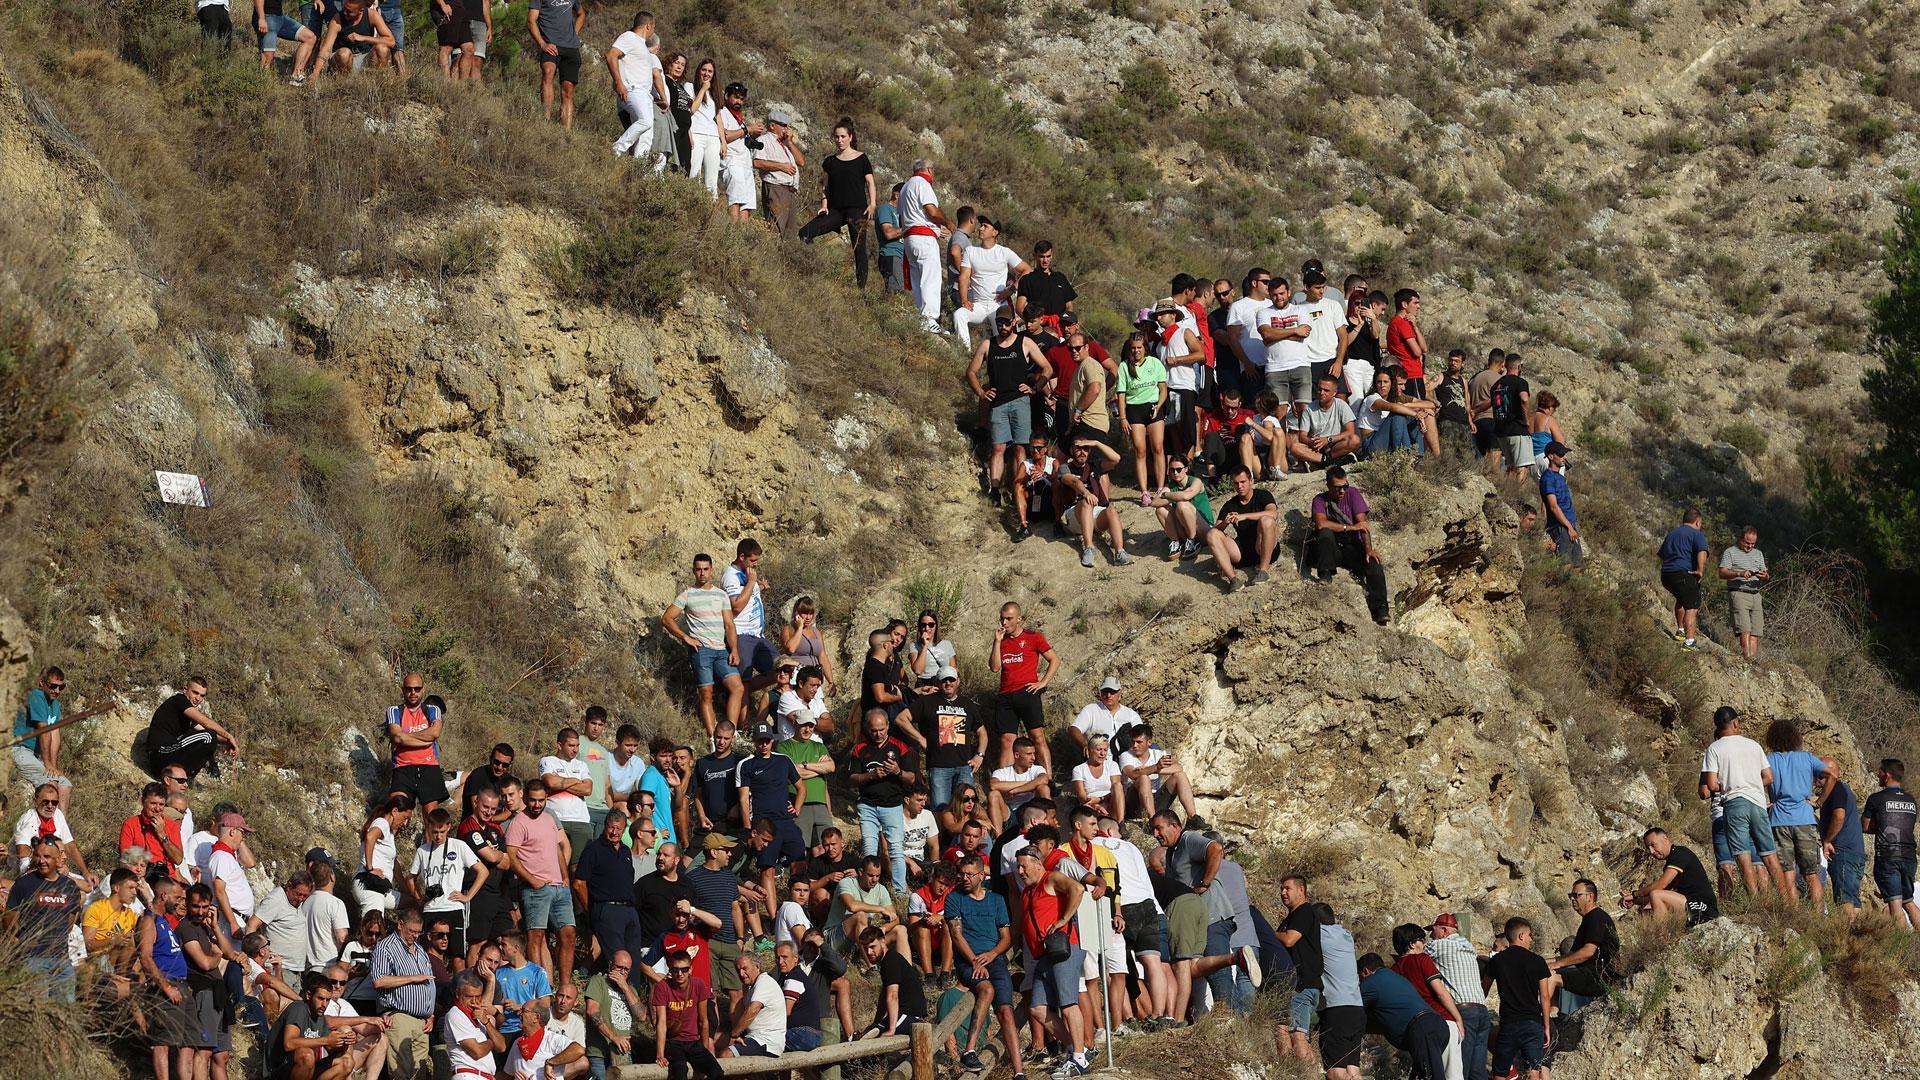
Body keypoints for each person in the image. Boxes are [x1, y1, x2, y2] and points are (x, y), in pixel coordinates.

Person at [1015, 848, 1090, 1077]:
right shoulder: (1027, 892)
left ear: (1038, 864)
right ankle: (1076, 1050)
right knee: (1038, 1008)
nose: (1020, 871)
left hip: (1062, 949)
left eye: (1023, 866)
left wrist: (1063, 919)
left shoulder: (1051, 878)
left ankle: (1079, 1060)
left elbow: (1077, 888)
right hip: (1043, 956)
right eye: (1018, 866)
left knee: (1068, 1004)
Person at [966, 310, 1053, 501]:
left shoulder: (1025, 342)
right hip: (998, 403)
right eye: (999, 323)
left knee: (1020, 448)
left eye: (1006, 323)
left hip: (1020, 401)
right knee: (998, 448)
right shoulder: (988, 344)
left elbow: (1047, 368)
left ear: (1013, 322)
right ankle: (995, 491)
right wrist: (981, 393)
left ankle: (1019, 489)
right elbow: (971, 372)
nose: (1003, 327)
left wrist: (1036, 388)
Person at [1700, 706, 1782, 895]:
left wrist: (1731, 783)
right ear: (1735, 723)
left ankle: (1754, 902)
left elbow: (1711, 785)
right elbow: (1769, 777)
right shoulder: (1753, 745)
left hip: (1734, 803)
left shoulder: (1714, 748)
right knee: (1769, 856)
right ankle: (1786, 902)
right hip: (1758, 803)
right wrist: (1750, 782)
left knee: (1743, 859)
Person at [663, 553, 745, 737]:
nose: (702, 573)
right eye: (698, 569)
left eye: (705, 569)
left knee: (737, 687)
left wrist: (734, 649)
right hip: (701, 650)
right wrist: (685, 637)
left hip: (721, 650)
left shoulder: (721, 595)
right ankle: (713, 738)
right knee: (706, 693)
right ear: (694, 571)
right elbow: (667, 618)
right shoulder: (687, 594)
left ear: (711, 570)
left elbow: (729, 624)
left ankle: (729, 734)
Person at [506, 779, 576, 985]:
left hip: (559, 887)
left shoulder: (549, 818)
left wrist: (565, 877)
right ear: (526, 798)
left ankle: (565, 986)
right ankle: (539, 987)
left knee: (569, 933)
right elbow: (511, 857)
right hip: (536, 890)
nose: (537, 805)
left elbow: (557, 849)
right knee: (536, 936)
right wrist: (532, 880)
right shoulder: (518, 822)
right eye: (533, 800)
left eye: (541, 800)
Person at [800, 119, 878, 288]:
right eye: (836, 137)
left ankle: (861, 290)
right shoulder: (830, 161)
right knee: (805, 233)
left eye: (843, 136)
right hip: (835, 210)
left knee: (859, 248)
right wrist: (824, 205)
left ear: (850, 137)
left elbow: (870, 182)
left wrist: (872, 204)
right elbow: (825, 186)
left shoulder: (862, 158)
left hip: (857, 209)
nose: (839, 140)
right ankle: (812, 268)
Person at [6, 834, 83, 1000]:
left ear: (57, 859)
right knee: (36, 1009)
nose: (41, 861)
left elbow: (70, 922)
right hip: (33, 959)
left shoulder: (69, 886)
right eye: (38, 856)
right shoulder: (23, 883)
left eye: (47, 857)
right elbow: (9, 922)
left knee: (65, 1009)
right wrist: (22, 946)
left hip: (62, 960)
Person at [1310, 466, 1391, 626]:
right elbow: (1321, 524)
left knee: (1373, 562)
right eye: (1337, 488)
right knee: (1325, 533)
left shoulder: (1353, 494)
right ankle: (1325, 574)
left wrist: (1368, 549)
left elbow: (1362, 525)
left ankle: (1380, 608)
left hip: (1351, 547)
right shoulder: (1319, 500)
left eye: (1344, 486)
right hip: (1331, 548)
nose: (1342, 491)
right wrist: (1350, 527)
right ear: (1328, 486)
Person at [850, 709, 919, 893]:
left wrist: (898, 771)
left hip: (893, 805)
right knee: (869, 849)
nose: (878, 734)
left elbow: (912, 778)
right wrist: (871, 775)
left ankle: (899, 891)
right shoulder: (859, 749)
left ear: (888, 726)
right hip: (867, 805)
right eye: (874, 730)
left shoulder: (900, 747)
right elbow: (852, 778)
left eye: (881, 729)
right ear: (867, 728)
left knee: (896, 850)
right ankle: (869, 890)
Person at [1762, 719, 1827, 905]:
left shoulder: (1769, 759)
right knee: (1812, 873)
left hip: (1778, 819)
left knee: (1787, 873)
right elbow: (1832, 774)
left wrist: (1766, 803)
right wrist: (1818, 802)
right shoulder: (1807, 758)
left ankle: (1793, 912)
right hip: (1804, 818)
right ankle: (1817, 915)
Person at [1356, 953, 1451, 1080]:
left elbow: (1350, 1009)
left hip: (1423, 1029)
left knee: (1432, 1077)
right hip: (1437, 1026)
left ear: (1366, 971)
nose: (1360, 981)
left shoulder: (1372, 981)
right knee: (1421, 1075)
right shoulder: (1397, 978)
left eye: (1360, 977)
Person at [368, 908, 437, 1080]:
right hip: (400, 1017)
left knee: (419, 1074)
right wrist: (412, 978)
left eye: (419, 932)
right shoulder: (386, 947)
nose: (415, 936)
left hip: (422, 1022)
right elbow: (379, 980)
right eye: (412, 931)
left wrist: (430, 1014)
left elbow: (428, 982)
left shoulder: (420, 949)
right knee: (401, 1072)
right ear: (400, 925)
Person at [989, 601, 1057, 774]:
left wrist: (1043, 682)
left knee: (1037, 736)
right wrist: (997, 642)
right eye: (1002, 619)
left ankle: (1047, 778)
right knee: (1007, 740)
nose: (1004, 623)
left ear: (1019, 619)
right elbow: (995, 667)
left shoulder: (1034, 637)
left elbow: (1054, 660)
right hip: (1006, 695)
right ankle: (1006, 781)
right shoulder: (1001, 640)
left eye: (1009, 619)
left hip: (1027, 692)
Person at [1422, 913, 1488, 1080]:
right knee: (1478, 1072)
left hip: (1463, 1010)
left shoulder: (1441, 945)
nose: (1431, 936)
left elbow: (1415, 954)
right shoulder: (1468, 946)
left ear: (1444, 930)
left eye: (1433, 931)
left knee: (1460, 1069)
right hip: (1482, 1010)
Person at [910, 666, 984, 813]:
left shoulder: (967, 704)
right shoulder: (927, 702)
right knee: (940, 809)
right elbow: (901, 719)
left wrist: (979, 755)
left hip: (964, 766)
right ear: (937, 682)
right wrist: (920, 738)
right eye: (944, 680)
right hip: (939, 766)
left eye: (951, 679)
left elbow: (982, 732)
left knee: (967, 809)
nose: (948, 683)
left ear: (958, 681)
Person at [1486, 917, 1552, 1080]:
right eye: (1529, 935)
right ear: (1521, 936)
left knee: (1499, 1073)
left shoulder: (1497, 961)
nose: (1531, 939)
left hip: (1509, 1023)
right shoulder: (1537, 961)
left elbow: (1484, 989)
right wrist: (1546, 1026)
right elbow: (1544, 996)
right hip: (1532, 1023)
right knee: (1534, 1072)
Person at [953, 217, 1031, 349]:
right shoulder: (970, 251)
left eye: (985, 226)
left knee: (1003, 336)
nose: (980, 228)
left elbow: (1027, 270)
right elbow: (964, 277)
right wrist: (964, 300)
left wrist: (1011, 290)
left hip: (998, 305)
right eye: (981, 225)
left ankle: (1002, 355)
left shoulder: (1004, 252)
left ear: (995, 232)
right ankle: (965, 352)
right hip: (978, 304)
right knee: (959, 314)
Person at [146, 676, 238, 783]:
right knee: (209, 736)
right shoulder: (179, 700)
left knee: (209, 737)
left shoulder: (187, 716)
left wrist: (228, 742)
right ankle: (190, 777)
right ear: (185, 689)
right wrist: (229, 736)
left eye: (202, 695)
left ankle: (183, 778)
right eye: (195, 693)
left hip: (167, 759)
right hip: (159, 755)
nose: (198, 698)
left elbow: (204, 731)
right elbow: (205, 723)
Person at [1862, 758, 1919, 927]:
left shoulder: (1876, 799)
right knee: (1908, 901)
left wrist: (1879, 827)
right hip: (1909, 856)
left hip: (1888, 856)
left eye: (1880, 772)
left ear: (1887, 775)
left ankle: (1901, 943)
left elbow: (1865, 826)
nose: (1878, 774)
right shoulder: (1911, 800)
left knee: (1895, 904)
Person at [1060, 437, 1133, 568]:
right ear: (1071, 450)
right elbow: (1074, 482)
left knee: (1111, 510)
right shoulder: (1065, 467)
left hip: (1093, 513)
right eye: (1078, 448)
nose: (1082, 452)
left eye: (1086, 448)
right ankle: (1088, 548)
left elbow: (1116, 459)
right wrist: (1086, 493)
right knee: (1086, 503)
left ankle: (1119, 552)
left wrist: (1096, 443)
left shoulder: (1094, 466)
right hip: (1073, 514)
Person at [899, 158, 953, 332]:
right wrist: (947, 222)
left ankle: (920, 319)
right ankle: (929, 319)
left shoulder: (906, 187)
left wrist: (935, 229)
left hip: (910, 237)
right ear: (929, 169)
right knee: (931, 278)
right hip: (923, 238)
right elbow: (931, 211)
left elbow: (913, 216)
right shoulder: (922, 183)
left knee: (918, 279)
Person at [650, 948, 722, 1080]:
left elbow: (703, 1021)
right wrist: (660, 1054)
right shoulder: (662, 987)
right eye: (675, 970)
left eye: (684, 970)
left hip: (694, 1041)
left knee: (717, 1072)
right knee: (680, 1071)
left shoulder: (698, 985)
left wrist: (705, 1049)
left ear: (690, 969)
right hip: (673, 1042)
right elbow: (661, 1023)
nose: (680, 974)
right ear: (670, 970)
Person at [1627, 827, 1721, 928]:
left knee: (1656, 894)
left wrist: (1635, 894)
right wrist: (1635, 901)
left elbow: (1661, 884)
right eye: (1648, 848)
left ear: (1665, 839)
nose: (1651, 851)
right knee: (1647, 908)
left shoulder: (1680, 853)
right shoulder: (1671, 862)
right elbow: (1662, 895)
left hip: (1704, 908)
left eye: (1653, 845)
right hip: (1690, 905)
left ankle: (1660, 935)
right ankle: (1661, 935)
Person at [1114, 331, 1170, 495]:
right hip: (1134, 410)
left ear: (1145, 347)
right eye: (1133, 348)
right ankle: (1144, 491)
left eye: (1139, 347)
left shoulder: (1155, 363)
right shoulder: (1124, 366)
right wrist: (1123, 418)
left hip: (1153, 408)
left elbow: (1163, 389)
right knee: (1140, 451)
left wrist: (1159, 406)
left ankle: (1160, 487)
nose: (1136, 351)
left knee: (1158, 447)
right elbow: (1121, 394)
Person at [1548, 879, 1616, 1015]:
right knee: (1544, 969)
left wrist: (1557, 964)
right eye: (1571, 895)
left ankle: (1546, 1018)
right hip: (1587, 972)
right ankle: (1553, 1013)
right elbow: (1573, 954)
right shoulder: (1588, 919)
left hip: (1597, 976)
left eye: (1576, 895)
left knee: (1549, 976)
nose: (1572, 899)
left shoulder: (1597, 917)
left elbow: (1587, 952)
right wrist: (1546, 962)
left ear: (1590, 896)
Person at [607, 12, 668, 157]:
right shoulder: (629, 37)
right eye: (653, 27)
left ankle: (638, 167)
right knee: (645, 121)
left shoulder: (642, 45)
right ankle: (616, 149)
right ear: (649, 26)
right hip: (633, 90)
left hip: (645, 95)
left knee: (646, 137)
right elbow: (610, 55)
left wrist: (661, 97)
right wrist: (619, 83)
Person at [11, 666, 71, 812]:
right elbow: (43, 730)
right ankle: (45, 824)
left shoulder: (55, 704)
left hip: (36, 755)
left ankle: (60, 825)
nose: (57, 691)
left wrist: (53, 766)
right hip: (20, 749)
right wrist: (47, 763)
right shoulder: (36, 696)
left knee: (65, 785)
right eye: (53, 686)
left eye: (61, 687)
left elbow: (55, 734)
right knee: (51, 785)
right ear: (41, 683)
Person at [385, 674, 445, 814]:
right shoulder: (394, 711)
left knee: (431, 816)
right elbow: (397, 737)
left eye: (417, 689)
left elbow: (435, 733)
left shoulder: (432, 710)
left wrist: (404, 737)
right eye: (409, 689)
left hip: (429, 767)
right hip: (402, 768)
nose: (413, 693)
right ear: (402, 689)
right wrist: (425, 740)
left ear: (424, 689)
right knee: (397, 813)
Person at [12, 781, 92, 885]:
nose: (50, 806)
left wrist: (85, 873)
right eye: (45, 802)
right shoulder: (28, 820)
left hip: (54, 869)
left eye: (54, 802)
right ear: (35, 801)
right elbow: (23, 857)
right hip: (32, 872)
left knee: (89, 885)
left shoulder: (58, 815)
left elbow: (69, 845)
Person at [1818, 758, 1868, 918]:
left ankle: (1845, 932)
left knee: (1844, 900)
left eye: (1820, 775)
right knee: (1853, 900)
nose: (1817, 779)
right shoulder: (1845, 790)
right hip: (1855, 853)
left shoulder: (1836, 788)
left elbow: (1839, 815)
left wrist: (1827, 840)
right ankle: (1857, 932)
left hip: (1843, 852)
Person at [1658, 508, 1710, 651]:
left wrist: (1670, 567)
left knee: (1681, 599)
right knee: (1692, 607)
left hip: (1666, 575)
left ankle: (1681, 631)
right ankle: (1689, 642)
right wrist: (1700, 570)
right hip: (1684, 573)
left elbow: (1661, 555)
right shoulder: (1697, 534)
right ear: (1697, 522)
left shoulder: (1672, 534)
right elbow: (1702, 551)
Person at [1119, 726, 1195, 823]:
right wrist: (1155, 767)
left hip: (1155, 799)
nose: (1134, 745)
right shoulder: (1126, 755)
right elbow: (1133, 774)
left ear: (1149, 742)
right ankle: (1152, 820)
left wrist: (1155, 769)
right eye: (1133, 742)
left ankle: (1193, 817)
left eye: (1139, 742)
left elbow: (1178, 768)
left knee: (1180, 776)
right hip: (1135, 802)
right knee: (1143, 778)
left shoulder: (1158, 754)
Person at [526, 0, 584, 126]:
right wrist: (542, 44)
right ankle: (545, 122)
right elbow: (531, 21)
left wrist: (574, 33)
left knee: (568, 89)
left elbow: (581, 14)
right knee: (548, 72)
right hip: (550, 45)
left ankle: (566, 131)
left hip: (571, 48)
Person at [720, 950, 787, 1058]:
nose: (741, 974)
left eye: (745, 969)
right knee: (715, 1041)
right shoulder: (750, 987)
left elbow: (752, 1010)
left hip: (767, 1042)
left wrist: (735, 1035)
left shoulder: (764, 982)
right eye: (738, 970)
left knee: (726, 1055)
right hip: (753, 1037)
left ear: (757, 967)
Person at [1287, 375, 1361, 471]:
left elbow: (1350, 432)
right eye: (1319, 389)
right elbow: (1302, 436)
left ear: (1334, 393)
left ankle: (1319, 462)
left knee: (1355, 440)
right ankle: (1329, 461)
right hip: (1317, 447)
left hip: (1335, 444)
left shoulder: (1342, 405)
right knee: (1294, 447)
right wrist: (1312, 441)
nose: (1321, 393)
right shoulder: (1309, 408)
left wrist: (1328, 440)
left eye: (1326, 390)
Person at [1150, 454, 1216, 561]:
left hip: (1204, 529)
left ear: (1186, 469)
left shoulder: (1196, 481)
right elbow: (1154, 502)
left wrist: (1166, 495)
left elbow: (1186, 496)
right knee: (1160, 509)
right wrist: (1175, 496)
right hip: (1185, 529)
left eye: (1179, 469)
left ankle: (1193, 540)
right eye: (1172, 470)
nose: (1175, 473)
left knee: (1182, 504)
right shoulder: (1171, 485)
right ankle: (1176, 542)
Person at [751, 107, 805, 238]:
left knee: (790, 233)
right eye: (783, 125)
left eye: (787, 126)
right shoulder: (763, 140)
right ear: (772, 126)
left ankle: (787, 251)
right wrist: (781, 167)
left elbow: (801, 162)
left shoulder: (785, 143)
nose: (786, 129)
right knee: (776, 229)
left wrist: (790, 142)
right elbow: (757, 162)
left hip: (789, 191)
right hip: (776, 188)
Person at [1719, 525, 1769, 661]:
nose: (1750, 546)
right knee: (1744, 629)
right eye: (1747, 543)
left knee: (1756, 631)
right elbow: (1722, 573)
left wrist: (1764, 576)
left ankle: (1752, 661)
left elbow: (1766, 575)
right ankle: (1746, 659)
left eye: (1753, 543)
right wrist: (1739, 573)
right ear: (1740, 539)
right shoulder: (1730, 552)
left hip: (1756, 594)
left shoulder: (1758, 554)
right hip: (1738, 593)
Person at [505, 999, 585, 1078]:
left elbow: (578, 1050)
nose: (519, 1013)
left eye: (523, 1011)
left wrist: (550, 1062)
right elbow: (507, 1075)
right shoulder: (517, 1043)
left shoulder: (552, 1039)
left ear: (536, 1017)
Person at [311, 0, 395, 75]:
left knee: (382, 49)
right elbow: (326, 49)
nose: (345, 13)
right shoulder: (337, 19)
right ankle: (342, 83)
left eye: (349, 11)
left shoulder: (372, 15)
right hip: (342, 59)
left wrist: (363, 38)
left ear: (361, 10)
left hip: (364, 58)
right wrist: (314, 74)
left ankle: (376, 82)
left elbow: (391, 41)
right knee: (344, 53)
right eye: (344, 8)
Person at [989, 737, 1052, 833]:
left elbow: (1044, 779)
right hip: (1009, 813)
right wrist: (1030, 784)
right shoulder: (1002, 772)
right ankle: (999, 838)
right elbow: (993, 785)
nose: (1033, 758)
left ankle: (1050, 828)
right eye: (1029, 754)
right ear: (1017, 755)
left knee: (1044, 788)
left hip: (1031, 813)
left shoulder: (1037, 769)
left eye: (1034, 753)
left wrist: (1016, 790)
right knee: (993, 795)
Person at [782, 598, 839, 699]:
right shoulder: (788, 630)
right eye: (805, 613)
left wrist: (831, 681)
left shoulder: (816, 632)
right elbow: (790, 649)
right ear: (797, 613)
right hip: (798, 680)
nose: (808, 617)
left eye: (811, 613)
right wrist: (799, 628)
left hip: (815, 679)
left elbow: (822, 656)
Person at [1538, 441, 1582, 566]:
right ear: (1551, 456)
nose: (1564, 458)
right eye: (1561, 455)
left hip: (1570, 524)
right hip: (1560, 526)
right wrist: (1569, 527)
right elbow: (1553, 506)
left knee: (1577, 565)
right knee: (1565, 563)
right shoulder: (1548, 478)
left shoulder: (1561, 478)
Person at [1488, 353, 1532, 475]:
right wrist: (1526, 420)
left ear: (1506, 366)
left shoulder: (1496, 385)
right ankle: (1519, 488)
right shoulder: (1520, 382)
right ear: (1519, 366)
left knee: (1511, 466)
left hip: (1501, 430)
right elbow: (1524, 399)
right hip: (1517, 428)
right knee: (1522, 465)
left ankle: (1509, 486)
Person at [683, 59, 722, 196]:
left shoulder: (715, 93)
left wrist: (723, 142)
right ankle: (692, 203)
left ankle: (712, 206)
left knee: (712, 178)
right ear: (699, 70)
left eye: (710, 71)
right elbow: (691, 109)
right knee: (694, 173)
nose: (706, 74)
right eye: (704, 70)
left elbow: (718, 118)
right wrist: (703, 89)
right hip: (696, 135)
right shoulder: (689, 86)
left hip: (713, 138)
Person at [1071, 734, 1125, 824]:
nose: (1102, 753)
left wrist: (1101, 799)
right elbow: (1081, 796)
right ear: (1089, 750)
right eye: (1099, 750)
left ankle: (1120, 822)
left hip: (1111, 804)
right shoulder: (1079, 769)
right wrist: (1096, 805)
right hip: (1091, 806)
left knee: (1118, 786)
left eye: (1105, 750)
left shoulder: (1112, 765)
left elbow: (1117, 790)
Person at [1385, 289, 1430, 397]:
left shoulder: (1399, 323)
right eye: (1415, 303)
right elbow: (1418, 352)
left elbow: (1424, 349)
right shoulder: (1401, 323)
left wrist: (1415, 326)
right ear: (1404, 304)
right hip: (1410, 373)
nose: (1418, 306)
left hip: (1407, 373)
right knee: (1417, 405)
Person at [1466, 348, 1505, 459]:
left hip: (1476, 423)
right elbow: (1496, 399)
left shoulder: (1474, 379)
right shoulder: (1498, 379)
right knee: (1494, 460)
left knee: (1480, 460)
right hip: (1492, 421)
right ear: (1502, 364)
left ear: (1489, 361)